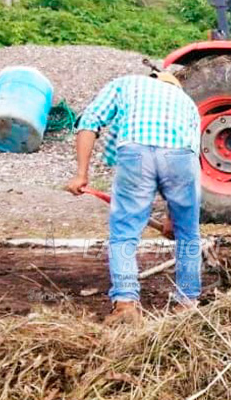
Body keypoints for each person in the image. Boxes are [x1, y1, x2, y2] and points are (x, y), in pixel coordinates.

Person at [65, 70, 202, 325]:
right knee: (188, 234)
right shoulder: (188, 103)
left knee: (125, 233)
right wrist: (173, 218)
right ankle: (188, 304)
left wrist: (81, 175)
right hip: (181, 158)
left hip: (136, 151)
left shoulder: (126, 84)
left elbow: (89, 121)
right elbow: (190, 154)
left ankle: (126, 303)